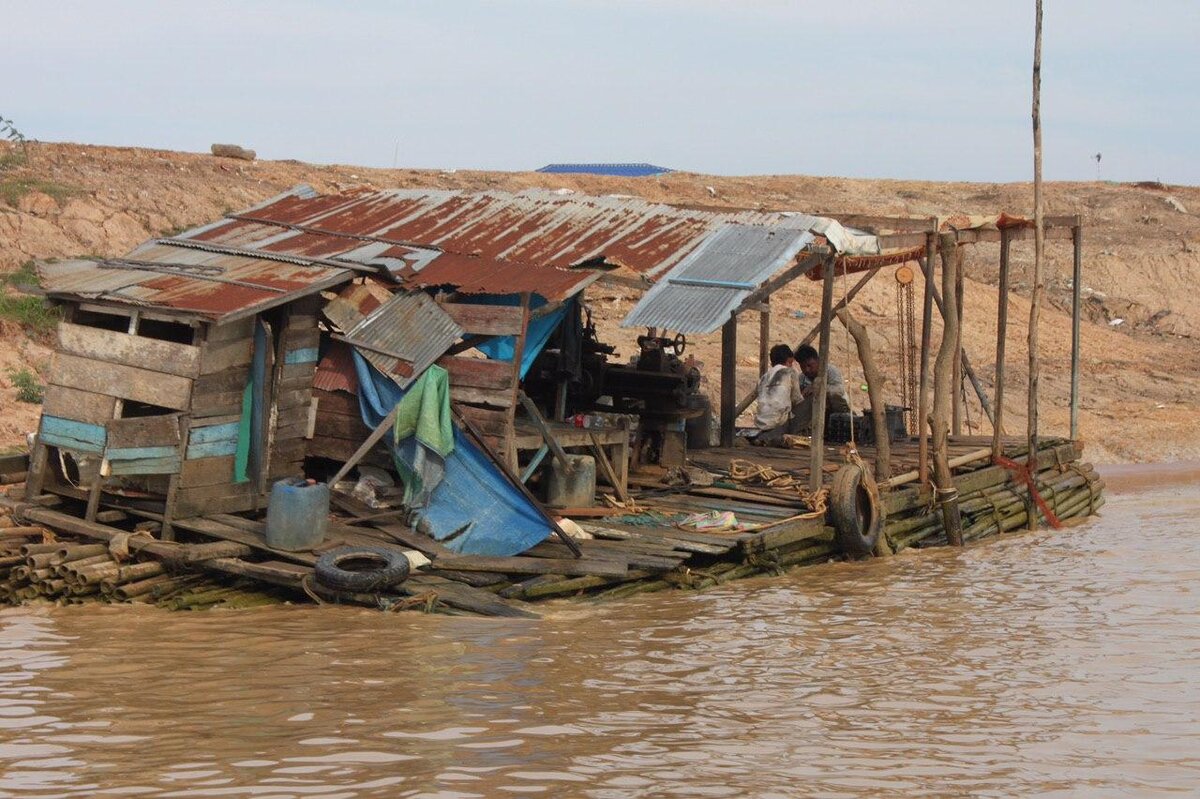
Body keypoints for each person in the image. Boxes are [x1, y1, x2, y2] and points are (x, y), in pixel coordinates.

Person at [788, 344, 851, 434]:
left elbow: (839, 391)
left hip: (837, 409)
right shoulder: (802, 378)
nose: (807, 370)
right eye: (803, 367)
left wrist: (818, 388)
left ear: (818, 361)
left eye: (810, 366)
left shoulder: (830, 371)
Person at [752, 344, 802, 446]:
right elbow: (797, 399)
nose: (791, 365)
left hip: (761, 422)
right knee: (808, 404)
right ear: (788, 361)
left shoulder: (764, 377)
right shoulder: (790, 372)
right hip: (778, 423)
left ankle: (766, 437)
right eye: (791, 363)